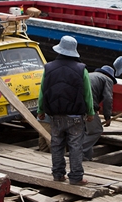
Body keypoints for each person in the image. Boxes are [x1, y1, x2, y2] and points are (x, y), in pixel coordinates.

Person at [37, 35, 95, 185]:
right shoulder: (81, 69)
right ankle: (76, 177)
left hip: (55, 115)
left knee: (57, 144)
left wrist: (40, 110)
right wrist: (90, 112)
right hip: (75, 116)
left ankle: (58, 174)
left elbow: (42, 91)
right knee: (75, 146)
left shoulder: (48, 68)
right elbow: (87, 94)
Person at [83, 65, 116, 161]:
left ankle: (86, 157)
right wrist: (107, 117)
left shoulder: (90, 75)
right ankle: (77, 150)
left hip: (75, 105)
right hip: (87, 105)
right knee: (96, 131)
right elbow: (108, 98)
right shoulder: (107, 79)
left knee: (85, 131)